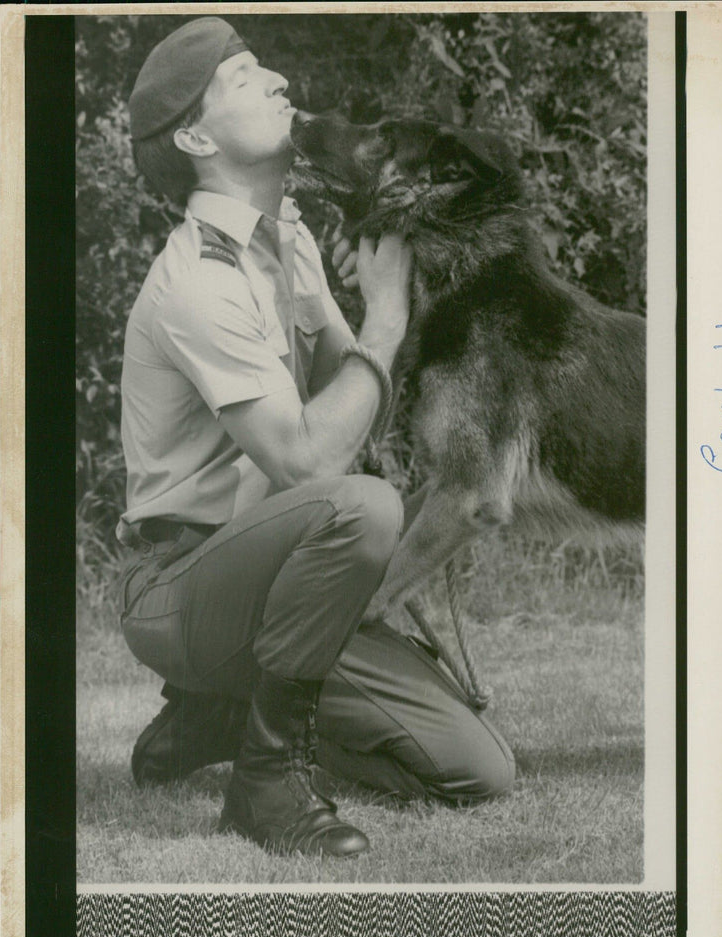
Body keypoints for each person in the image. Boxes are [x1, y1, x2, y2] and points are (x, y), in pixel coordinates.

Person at [118, 16, 515, 858]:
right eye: (245, 77)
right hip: (182, 583)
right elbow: (310, 457)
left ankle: (217, 710)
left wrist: (381, 323)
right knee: (363, 509)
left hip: (284, 572)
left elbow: (361, 391)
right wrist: (388, 315)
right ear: (194, 134)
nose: (280, 84)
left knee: (479, 772)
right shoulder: (200, 279)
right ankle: (265, 781)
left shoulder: (288, 240)